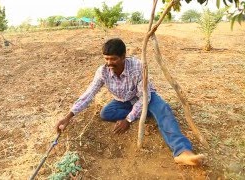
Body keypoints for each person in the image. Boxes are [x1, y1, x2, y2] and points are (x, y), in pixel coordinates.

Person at [55, 38, 205, 166]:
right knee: (106, 113)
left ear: (123, 56)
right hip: (123, 101)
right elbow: (89, 94)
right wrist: (68, 117)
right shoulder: (102, 71)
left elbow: (144, 96)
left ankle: (183, 152)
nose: (109, 63)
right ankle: (149, 115)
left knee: (164, 109)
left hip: (145, 97)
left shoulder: (138, 67)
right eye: (106, 58)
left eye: (113, 58)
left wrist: (128, 119)